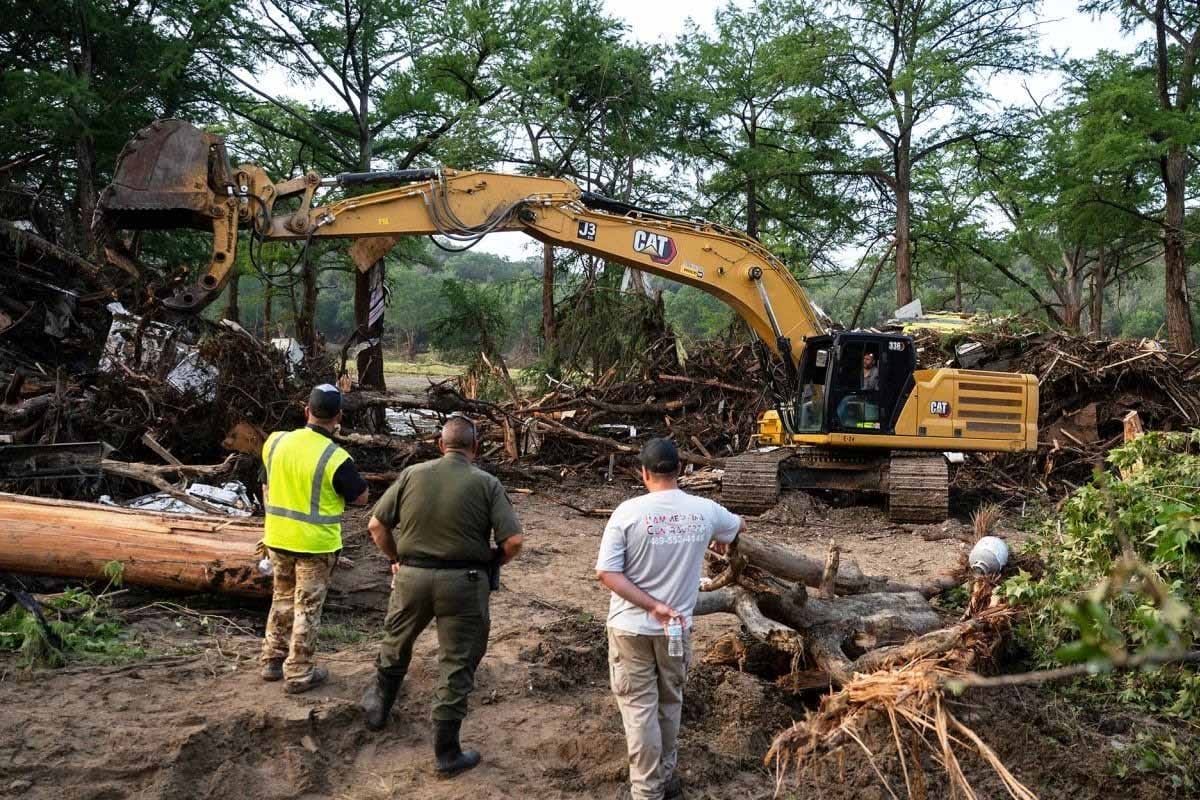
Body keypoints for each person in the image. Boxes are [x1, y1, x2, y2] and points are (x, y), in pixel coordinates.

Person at [361, 414, 524, 777]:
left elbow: (375, 524)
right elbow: (513, 541)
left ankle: (378, 709)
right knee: (456, 660)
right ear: (476, 447)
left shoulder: (412, 475)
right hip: (464, 583)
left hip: (412, 577)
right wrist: (493, 562)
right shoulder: (487, 483)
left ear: (440, 444)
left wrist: (397, 559)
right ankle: (446, 753)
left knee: (396, 641)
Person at [596, 438, 744, 800]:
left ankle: (647, 791)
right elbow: (738, 527)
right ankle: (664, 776)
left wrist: (651, 606)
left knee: (639, 710)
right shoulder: (705, 511)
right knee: (669, 703)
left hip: (630, 628)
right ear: (680, 470)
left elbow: (607, 573)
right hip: (676, 630)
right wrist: (720, 541)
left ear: (643, 473)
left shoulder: (627, 513)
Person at [260, 384, 369, 693]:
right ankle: (298, 671)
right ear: (339, 417)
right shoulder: (336, 458)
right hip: (315, 545)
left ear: (306, 410)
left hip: (277, 538)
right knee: (307, 608)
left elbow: (266, 483)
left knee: (281, 598)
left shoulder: (275, 442)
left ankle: (271, 660)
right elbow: (360, 497)